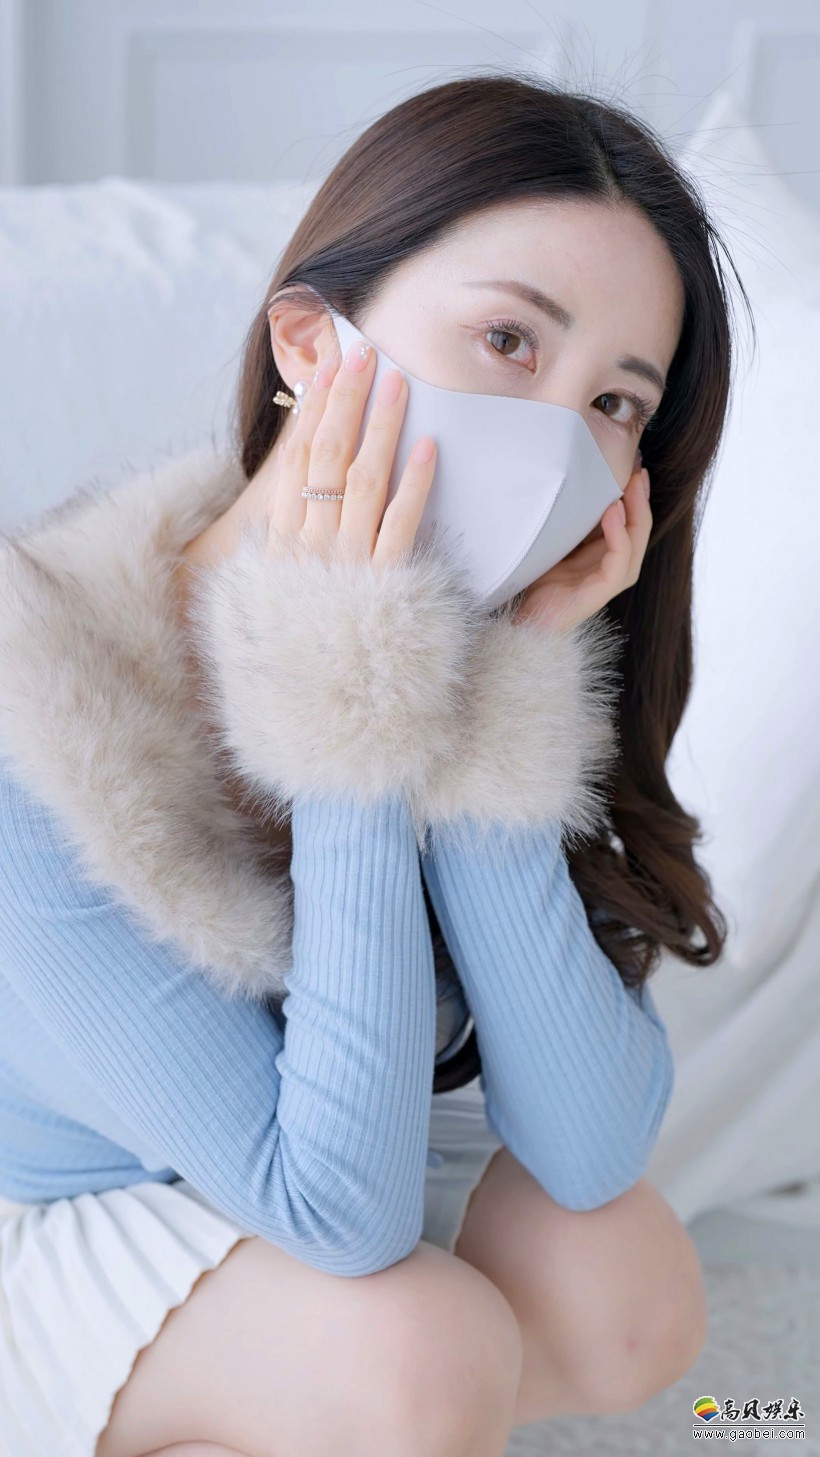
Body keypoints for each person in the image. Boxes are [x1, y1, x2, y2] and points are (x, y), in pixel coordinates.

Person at [0, 71, 751, 1457]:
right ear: (309, 343)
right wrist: (341, 690)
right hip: (55, 1209)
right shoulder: (35, 695)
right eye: (509, 339)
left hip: (298, 1167)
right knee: (418, 1345)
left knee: (624, 1281)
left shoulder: (469, 655)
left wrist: (496, 696)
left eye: (614, 401)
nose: (557, 434)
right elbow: (339, 1211)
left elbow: (587, 1153)